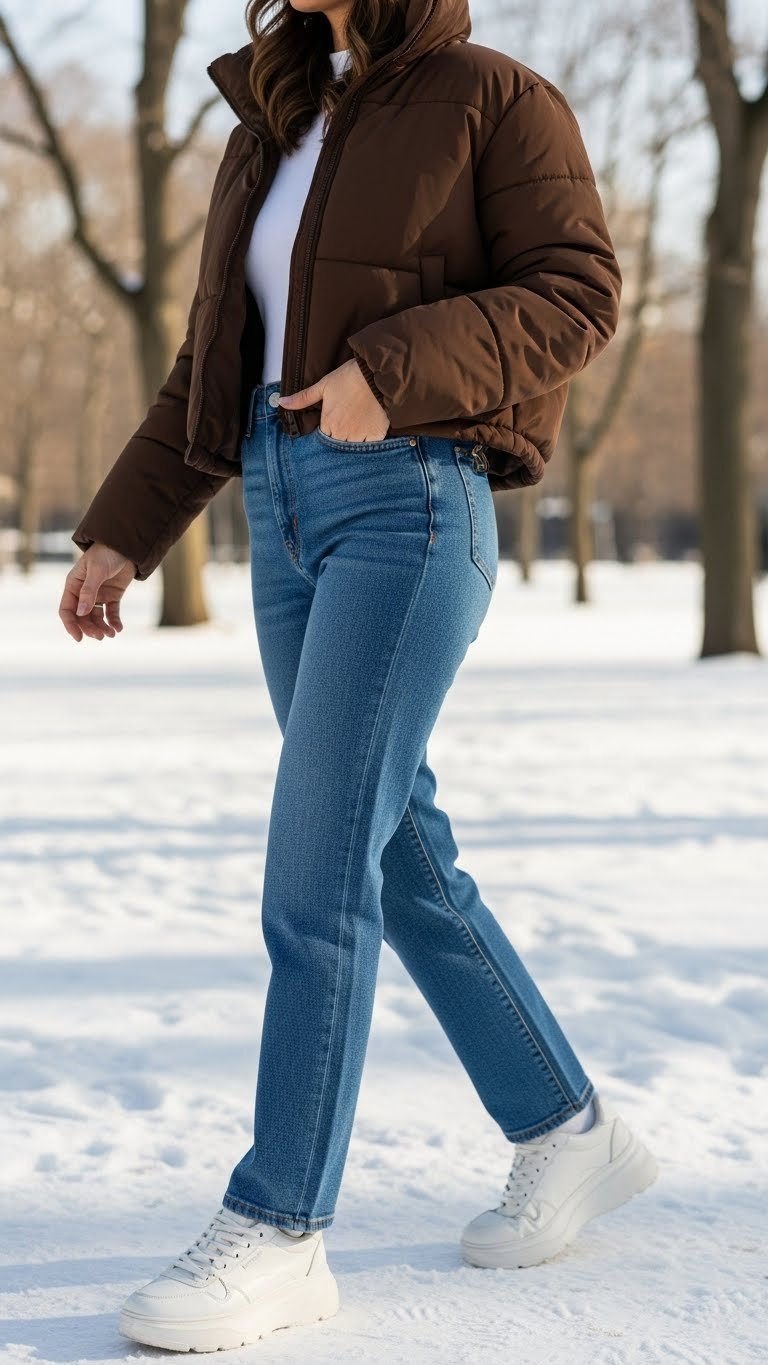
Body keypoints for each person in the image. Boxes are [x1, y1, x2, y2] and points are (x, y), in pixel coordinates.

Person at [59, 0, 657, 1352]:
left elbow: (578, 295)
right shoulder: (272, 117)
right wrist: (121, 527)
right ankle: (568, 1125)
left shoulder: (496, 98)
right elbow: (215, 365)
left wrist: (389, 369)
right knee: (393, 851)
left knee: (319, 861)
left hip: (413, 501)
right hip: (279, 509)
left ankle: (280, 1225)